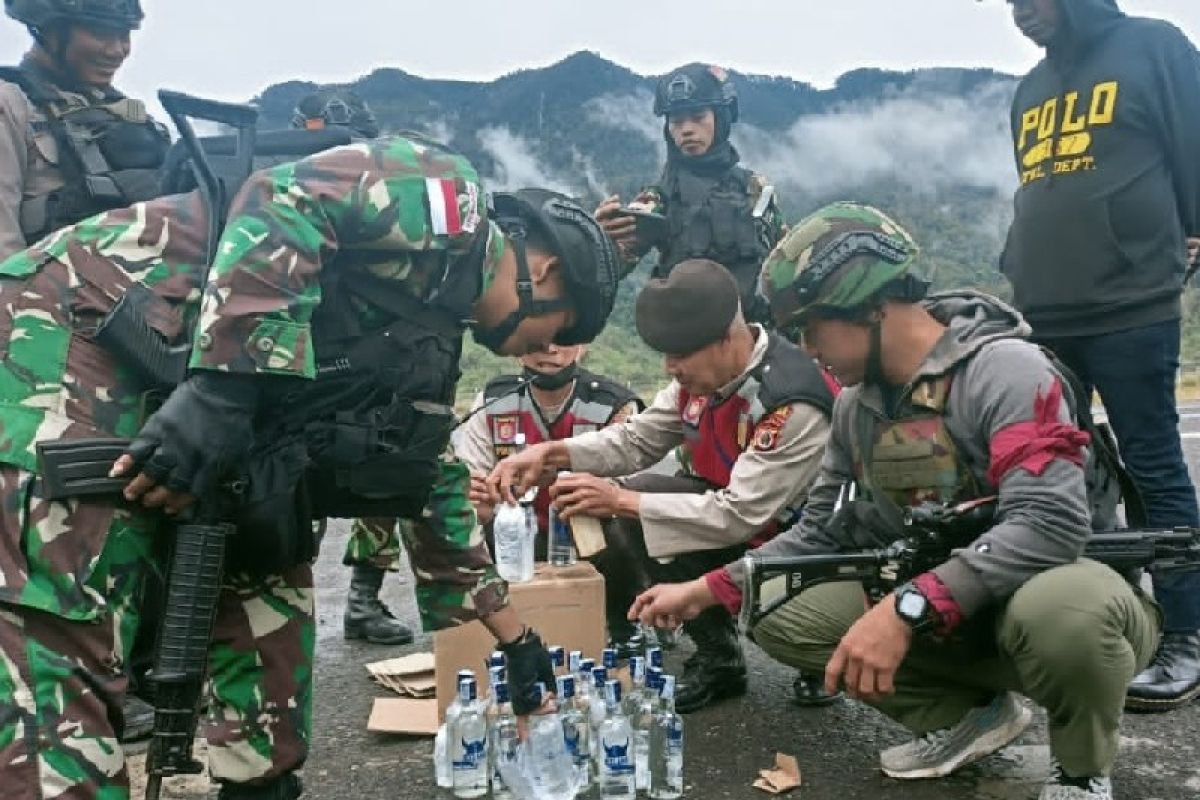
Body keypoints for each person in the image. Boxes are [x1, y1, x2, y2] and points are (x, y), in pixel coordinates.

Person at [0, 134, 620, 799]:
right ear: (546, 272)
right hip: (77, 332)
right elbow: (282, 196)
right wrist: (224, 388)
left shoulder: (432, 333)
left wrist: (515, 638)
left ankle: (260, 785)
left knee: (273, 613)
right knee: (65, 635)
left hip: (218, 410)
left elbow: (426, 477)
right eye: (560, 329)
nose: (547, 349)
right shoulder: (451, 202)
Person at [632, 203, 1160, 800]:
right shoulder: (858, 407)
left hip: (1055, 596)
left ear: (873, 307)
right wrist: (704, 592)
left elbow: (1049, 523)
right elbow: (821, 531)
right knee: (776, 603)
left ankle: (1081, 770)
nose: (805, 350)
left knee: (1063, 610)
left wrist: (907, 608)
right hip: (956, 609)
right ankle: (968, 719)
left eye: (813, 329)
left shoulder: (1004, 370)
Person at [489, 258, 836, 713]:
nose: (671, 367)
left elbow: (738, 515)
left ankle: (823, 655)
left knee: (634, 503)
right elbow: (636, 440)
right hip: (737, 517)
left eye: (680, 354)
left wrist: (623, 499)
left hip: (807, 541)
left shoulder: (790, 401)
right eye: (665, 355)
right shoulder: (699, 379)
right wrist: (553, 454)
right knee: (631, 504)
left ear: (726, 339)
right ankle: (720, 660)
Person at [998, 0, 1200, 711]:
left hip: (1131, 301)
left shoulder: (1153, 47)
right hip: (1047, 307)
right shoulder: (1030, 89)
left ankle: (1186, 634)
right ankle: (1112, 616)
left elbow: (1192, 147)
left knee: (1153, 463)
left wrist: (1187, 235)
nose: (1020, 13)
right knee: (1071, 473)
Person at [346, 344, 643, 645]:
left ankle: (626, 620)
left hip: (585, 537)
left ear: (583, 347)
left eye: (563, 340)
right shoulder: (493, 400)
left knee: (626, 514)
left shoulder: (614, 403)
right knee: (445, 504)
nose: (550, 349)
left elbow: (625, 485)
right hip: (515, 536)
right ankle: (480, 625)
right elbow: (471, 476)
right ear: (517, 346)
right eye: (537, 340)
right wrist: (476, 498)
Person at [593, 62, 783, 323]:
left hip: (755, 339)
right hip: (691, 341)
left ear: (721, 118)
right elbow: (608, 270)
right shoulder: (659, 197)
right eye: (677, 121)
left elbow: (786, 259)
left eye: (698, 117)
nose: (687, 129)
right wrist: (601, 241)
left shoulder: (755, 188)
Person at [0, 0, 167, 260]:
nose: (117, 50)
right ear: (50, 31)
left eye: (124, 35)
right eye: (100, 34)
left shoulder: (124, 111)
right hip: (46, 291)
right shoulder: (11, 104)